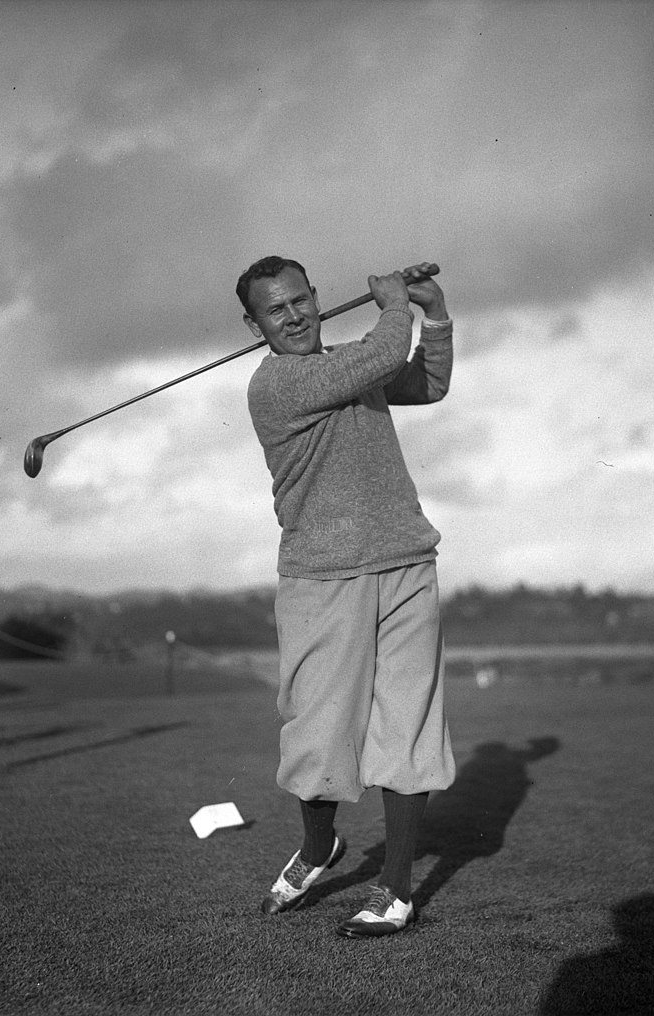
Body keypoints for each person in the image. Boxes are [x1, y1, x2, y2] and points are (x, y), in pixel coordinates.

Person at [239, 256, 456, 938]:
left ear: (314, 297)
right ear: (255, 324)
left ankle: (394, 889)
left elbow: (425, 381)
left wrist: (436, 314)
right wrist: (395, 306)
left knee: (407, 725)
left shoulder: (349, 368)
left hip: (404, 560)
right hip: (322, 576)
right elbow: (384, 352)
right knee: (318, 732)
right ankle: (317, 849)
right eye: (278, 310)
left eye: (302, 300)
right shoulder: (276, 385)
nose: (297, 316)